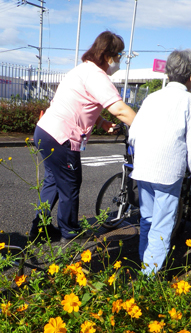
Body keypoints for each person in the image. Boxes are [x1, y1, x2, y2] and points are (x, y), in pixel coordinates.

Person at [30, 31, 136, 242]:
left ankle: (40, 229)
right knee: (70, 183)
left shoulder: (81, 70)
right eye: (119, 56)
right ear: (108, 56)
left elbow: (80, 102)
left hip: (44, 131)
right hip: (62, 137)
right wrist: (150, 128)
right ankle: (69, 232)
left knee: (53, 181)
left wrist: (101, 122)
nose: (119, 61)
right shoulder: (97, 75)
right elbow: (120, 110)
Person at [128, 49, 191, 275]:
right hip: (168, 172)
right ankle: (149, 277)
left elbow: (134, 134)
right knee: (162, 225)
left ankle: (144, 263)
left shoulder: (152, 98)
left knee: (147, 219)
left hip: (143, 169)